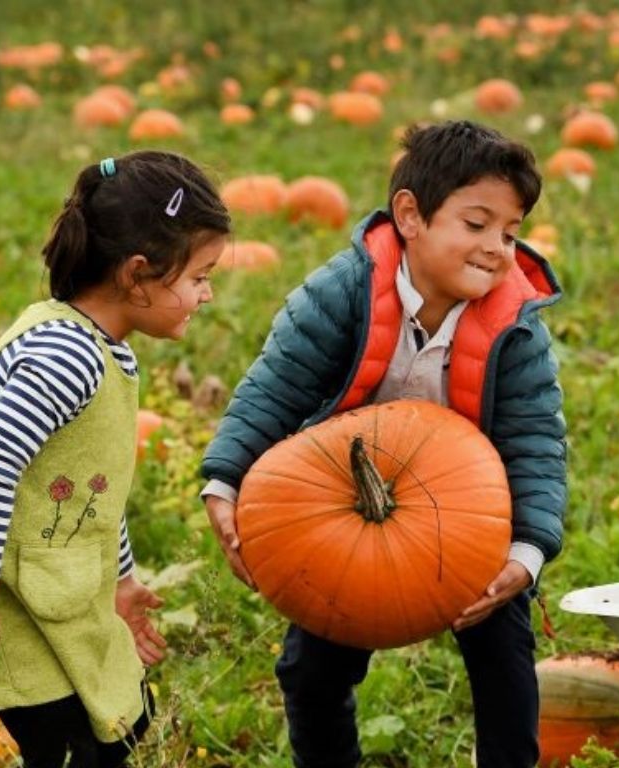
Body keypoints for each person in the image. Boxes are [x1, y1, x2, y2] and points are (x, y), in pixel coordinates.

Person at [200, 120, 567, 767]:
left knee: (506, 664)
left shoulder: (515, 328)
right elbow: (275, 389)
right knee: (310, 672)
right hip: (345, 507)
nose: (496, 248)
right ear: (410, 215)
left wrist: (528, 551)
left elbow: (535, 440)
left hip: (472, 518)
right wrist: (225, 478)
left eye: (510, 233)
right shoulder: (341, 293)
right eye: (477, 224)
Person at [0, 150, 231, 768]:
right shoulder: (66, 355)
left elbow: (91, 491)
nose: (208, 293)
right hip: (11, 603)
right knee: (75, 741)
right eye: (199, 276)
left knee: (127, 716)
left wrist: (122, 581)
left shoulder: (99, 348)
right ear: (138, 275)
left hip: (58, 586)